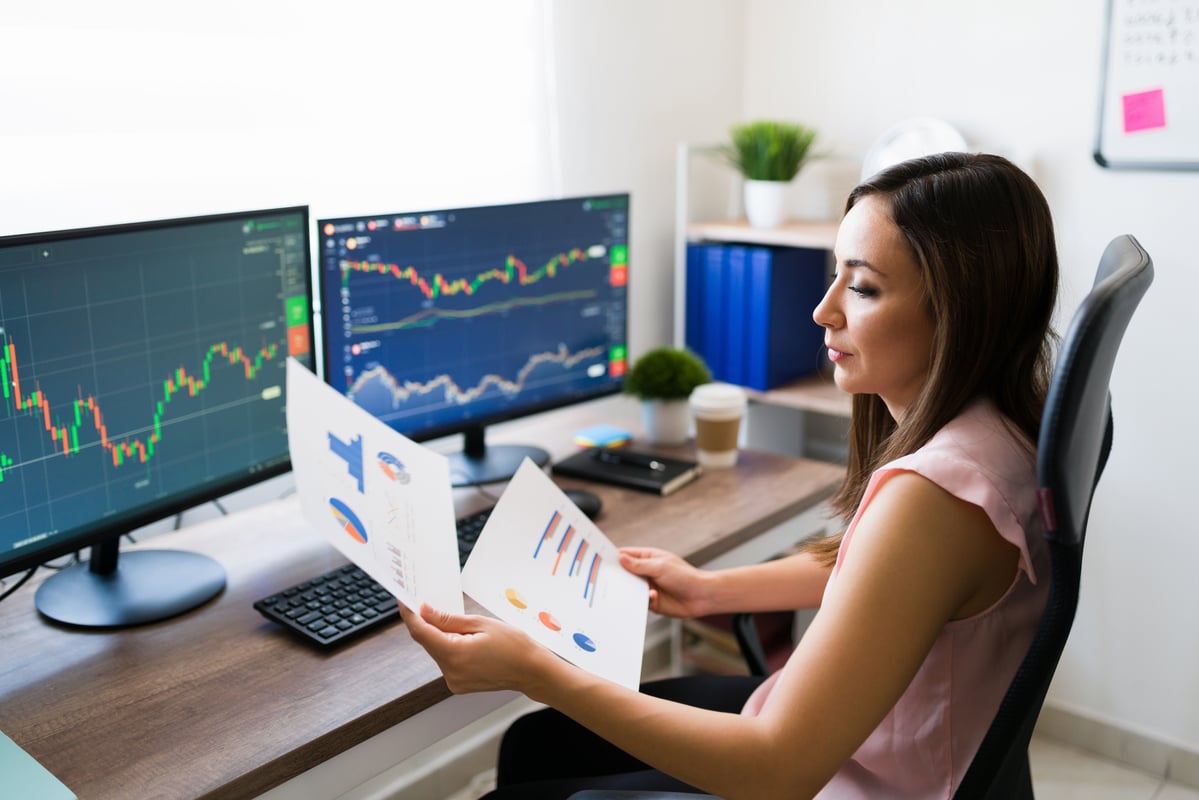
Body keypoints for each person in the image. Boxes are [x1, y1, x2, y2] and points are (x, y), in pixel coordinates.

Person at [401, 151, 1060, 799]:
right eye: (834, 275)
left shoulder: (935, 496)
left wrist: (536, 672)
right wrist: (708, 591)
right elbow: (885, 581)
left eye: (861, 287)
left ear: (961, 311)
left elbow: (775, 771)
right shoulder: (1002, 430)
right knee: (537, 745)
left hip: (840, 777)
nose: (823, 310)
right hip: (869, 750)